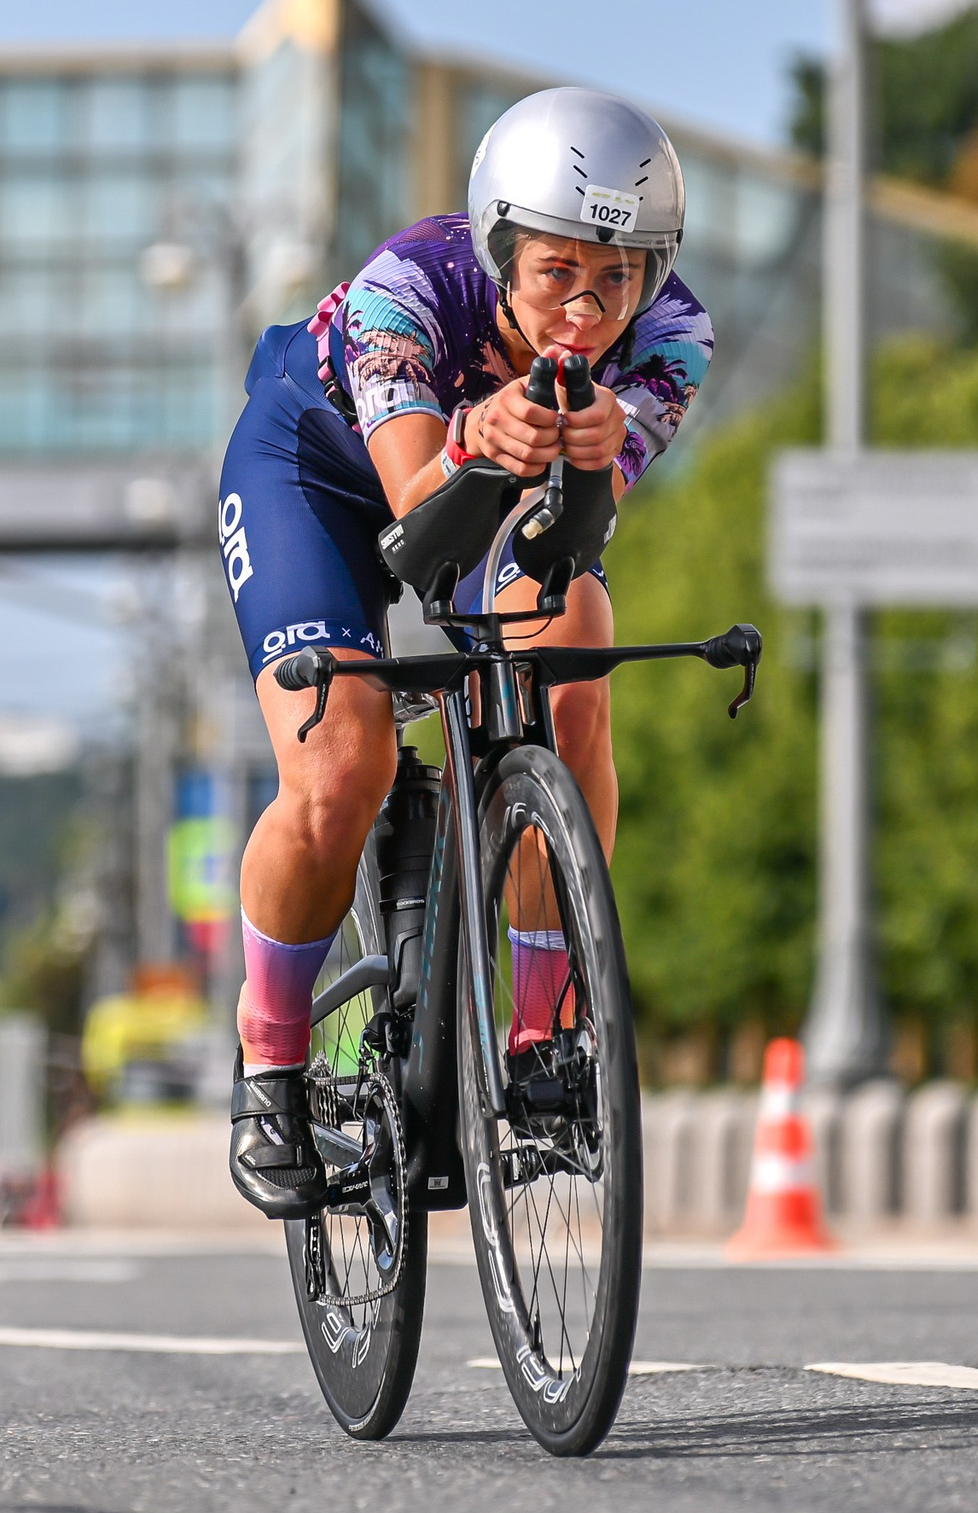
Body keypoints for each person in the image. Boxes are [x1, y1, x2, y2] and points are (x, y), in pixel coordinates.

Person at [216, 87, 714, 1217]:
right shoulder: (408, 289)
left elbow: (558, 541)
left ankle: (544, 1033)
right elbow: (414, 519)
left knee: (575, 654)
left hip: (491, 495)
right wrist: (474, 436)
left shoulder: (673, 336)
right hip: (320, 473)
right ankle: (270, 1060)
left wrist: (598, 453)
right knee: (341, 765)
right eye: (555, 272)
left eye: (617, 277)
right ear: (498, 249)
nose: (585, 310)